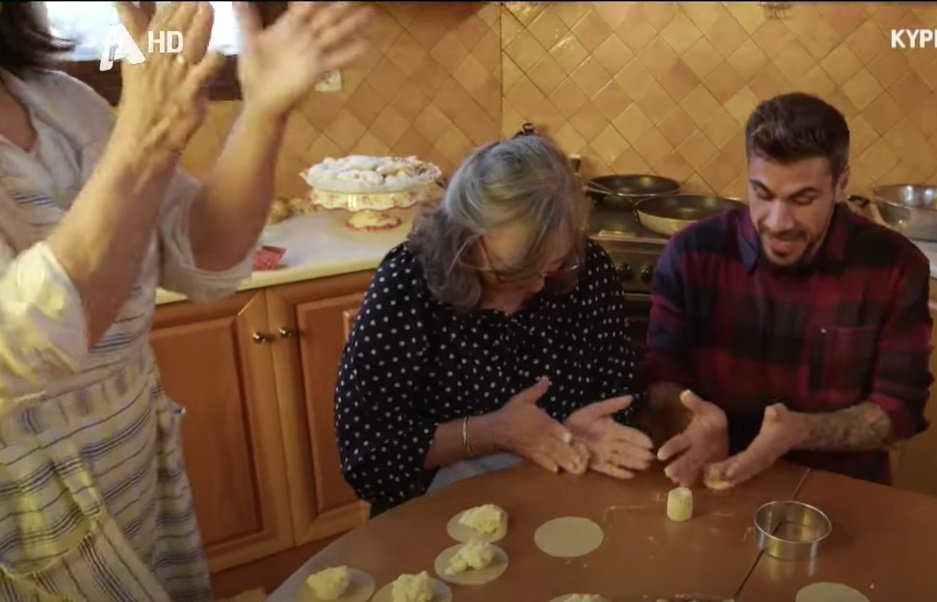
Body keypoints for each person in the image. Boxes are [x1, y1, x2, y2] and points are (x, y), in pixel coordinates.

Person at [0, 2, 370, 599]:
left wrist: (263, 111)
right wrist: (143, 139)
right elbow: (27, 347)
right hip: (27, 511)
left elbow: (201, 255)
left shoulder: (58, 101)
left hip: (135, 473)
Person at [334, 135, 655, 516]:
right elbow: (368, 458)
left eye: (552, 266)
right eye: (513, 271)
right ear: (464, 238)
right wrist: (494, 432)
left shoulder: (589, 270)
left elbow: (619, 387)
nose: (537, 286)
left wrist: (584, 431)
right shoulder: (408, 285)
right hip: (434, 514)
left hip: (560, 497)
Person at [642, 93, 934, 492]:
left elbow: (900, 409)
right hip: (715, 479)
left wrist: (801, 431)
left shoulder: (895, 266)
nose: (779, 222)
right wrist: (688, 419)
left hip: (840, 492)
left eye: (803, 199)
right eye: (763, 194)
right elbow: (659, 377)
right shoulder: (691, 253)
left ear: (841, 185)